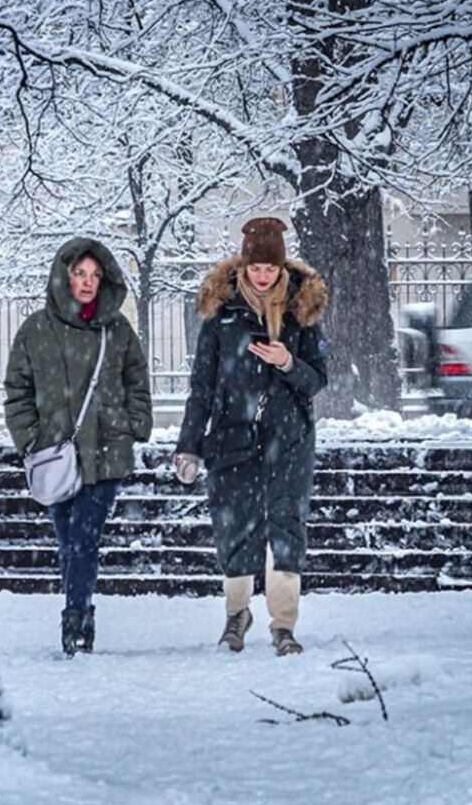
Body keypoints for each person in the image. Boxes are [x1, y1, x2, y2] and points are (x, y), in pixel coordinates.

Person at [174, 217, 328, 656]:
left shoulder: (302, 313)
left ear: (281, 268)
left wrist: (287, 362)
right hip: (230, 434)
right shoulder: (221, 317)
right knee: (235, 525)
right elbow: (200, 387)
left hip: (290, 436)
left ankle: (284, 625)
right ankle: (236, 615)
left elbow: (318, 379)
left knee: (286, 525)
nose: (263, 277)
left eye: (271, 269)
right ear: (243, 268)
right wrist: (189, 445)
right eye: (255, 268)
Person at [3, 238, 153, 656]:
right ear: (64, 276)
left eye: (95, 275)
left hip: (105, 453)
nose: (88, 283)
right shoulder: (35, 330)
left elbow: (136, 380)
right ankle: (79, 613)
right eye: (79, 274)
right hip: (54, 456)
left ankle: (76, 618)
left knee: (84, 538)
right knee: (68, 540)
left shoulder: (117, 329)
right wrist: (31, 439)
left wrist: (131, 425)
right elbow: (17, 389)